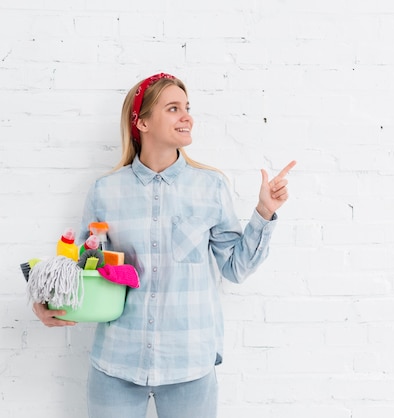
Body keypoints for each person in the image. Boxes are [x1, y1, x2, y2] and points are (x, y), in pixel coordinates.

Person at [32, 73, 296, 418]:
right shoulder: (105, 191)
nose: (187, 116)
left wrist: (264, 212)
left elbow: (236, 269)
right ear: (141, 122)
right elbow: (85, 272)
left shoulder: (211, 187)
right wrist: (47, 302)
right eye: (173, 108)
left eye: (187, 108)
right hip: (116, 364)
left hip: (190, 365)